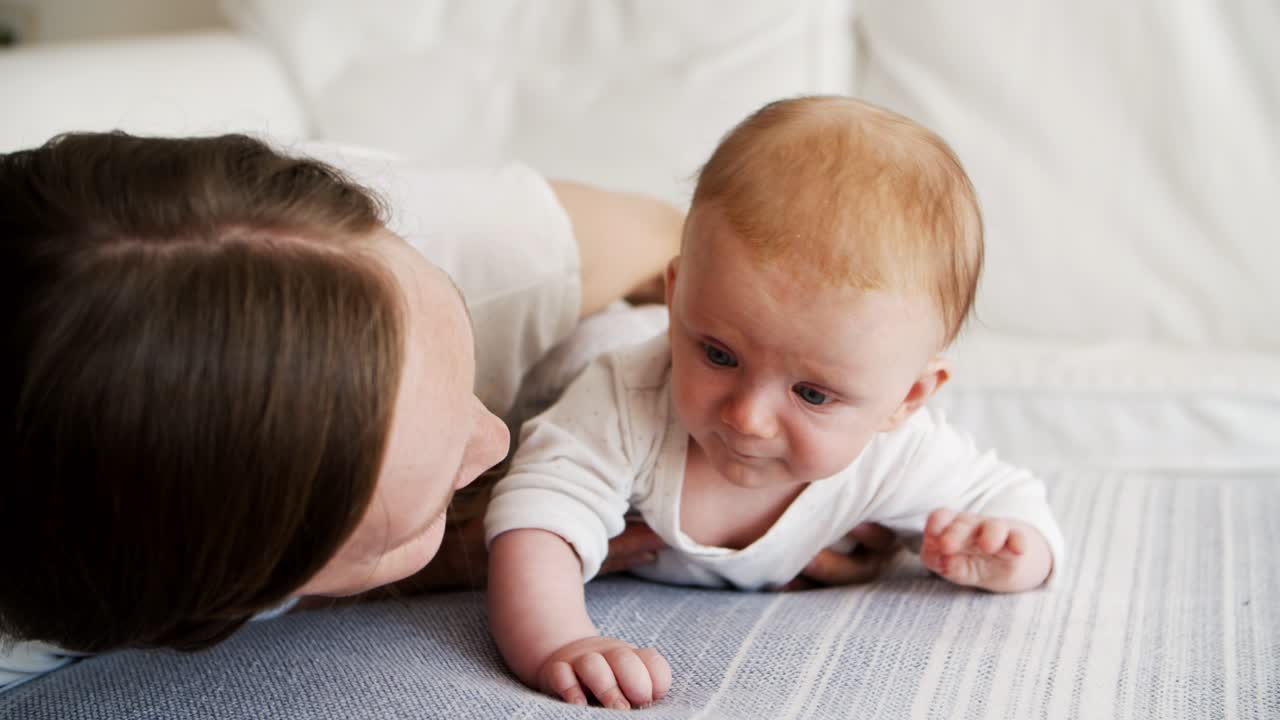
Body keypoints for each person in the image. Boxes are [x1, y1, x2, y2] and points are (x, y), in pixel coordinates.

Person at [0, 131, 895, 693]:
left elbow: (708, 256)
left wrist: (779, 448)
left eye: (461, 349)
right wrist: (457, 547)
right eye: (419, 499)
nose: (504, 440)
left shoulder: (489, 245)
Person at [484, 96, 1068, 709]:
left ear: (907, 398)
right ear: (678, 294)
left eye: (812, 393)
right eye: (718, 353)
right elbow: (537, 522)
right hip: (591, 348)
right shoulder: (623, 401)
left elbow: (1016, 505)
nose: (747, 417)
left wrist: (1009, 553)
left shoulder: (898, 454)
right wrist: (561, 642)